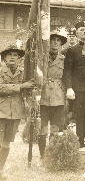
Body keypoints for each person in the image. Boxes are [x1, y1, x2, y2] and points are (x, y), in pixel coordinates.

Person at [0, 45, 36, 179]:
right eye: (9, 55)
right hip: (1, 111)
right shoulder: (0, 71)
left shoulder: (22, 73)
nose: (12, 57)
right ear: (4, 57)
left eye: (15, 55)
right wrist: (22, 86)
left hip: (15, 112)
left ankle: (0, 170)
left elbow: (27, 90)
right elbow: (1, 88)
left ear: (19, 58)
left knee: (7, 142)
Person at [37, 31, 68, 159]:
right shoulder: (41, 59)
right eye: (52, 40)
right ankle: (42, 156)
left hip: (58, 96)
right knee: (42, 128)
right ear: (47, 42)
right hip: (43, 96)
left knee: (55, 128)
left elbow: (67, 78)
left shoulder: (64, 60)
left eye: (57, 40)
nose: (55, 42)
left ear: (61, 43)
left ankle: (51, 156)